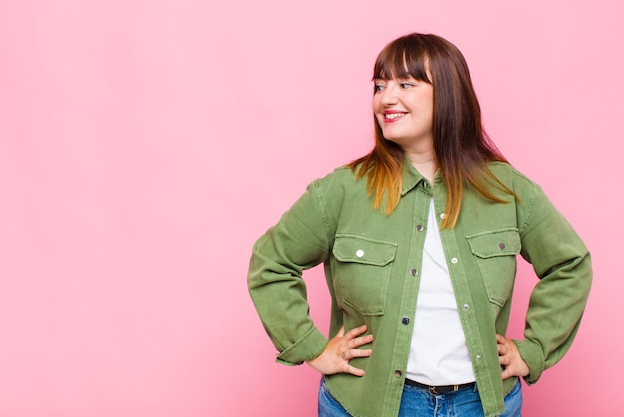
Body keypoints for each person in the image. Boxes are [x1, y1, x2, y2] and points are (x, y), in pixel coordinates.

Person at [247, 33, 591, 417]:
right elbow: (271, 262)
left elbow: (570, 265)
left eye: (405, 84)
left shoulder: (506, 189)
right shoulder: (342, 190)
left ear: (447, 93)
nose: (385, 98)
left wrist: (534, 349)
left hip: (483, 404)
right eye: (380, 85)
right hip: (366, 404)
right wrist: (310, 346)